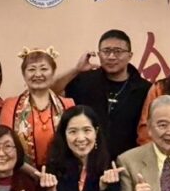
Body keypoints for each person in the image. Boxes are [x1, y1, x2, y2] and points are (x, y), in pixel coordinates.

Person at [55, 29, 151, 159]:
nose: (111, 56)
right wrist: (76, 70)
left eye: (118, 51)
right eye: (106, 51)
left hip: (127, 162)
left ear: (130, 55)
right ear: (99, 54)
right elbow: (50, 92)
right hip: (85, 160)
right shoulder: (85, 81)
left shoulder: (144, 89)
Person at [0, 47, 75, 169]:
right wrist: (34, 174)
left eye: (44, 69)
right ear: (24, 74)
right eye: (31, 69)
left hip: (62, 174)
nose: (38, 74)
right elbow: (5, 145)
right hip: (22, 174)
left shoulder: (68, 105)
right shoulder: (10, 105)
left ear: (53, 72)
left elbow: (75, 143)